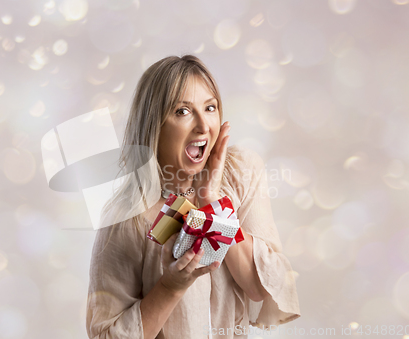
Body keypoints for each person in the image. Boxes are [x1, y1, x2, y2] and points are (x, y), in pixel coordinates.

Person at [86, 55, 301, 339]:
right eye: (182, 112)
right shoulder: (128, 215)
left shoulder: (239, 173)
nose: (203, 126)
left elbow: (259, 287)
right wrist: (170, 287)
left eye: (210, 108)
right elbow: (107, 334)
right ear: (154, 125)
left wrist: (212, 202)